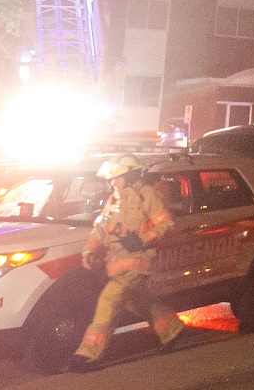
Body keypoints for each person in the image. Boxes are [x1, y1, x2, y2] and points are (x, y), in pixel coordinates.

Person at [69, 155, 184, 371]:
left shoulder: (147, 195)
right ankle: (172, 329)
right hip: (116, 262)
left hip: (137, 261)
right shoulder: (113, 200)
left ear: (130, 176)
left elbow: (167, 225)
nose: (112, 182)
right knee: (138, 301)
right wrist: (89, 249)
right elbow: (100, 229)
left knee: (108, 300)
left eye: (117, 178)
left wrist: (143, 239)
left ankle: (89, 354)